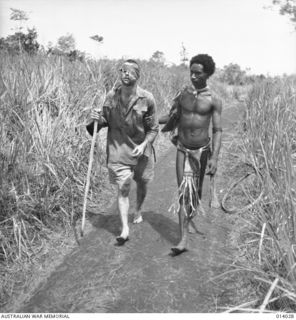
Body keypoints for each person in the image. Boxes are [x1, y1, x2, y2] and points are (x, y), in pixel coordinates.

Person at [87, 59, 159, 245]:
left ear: (138, 75)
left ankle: (139, 209)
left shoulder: (147, 98)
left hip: (141, 151)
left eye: (130, 70)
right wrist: (94, 119)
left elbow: (153, 129)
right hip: (118, 151)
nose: (125, 73)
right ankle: (125, 228)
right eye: (122, 70)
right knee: (123, 187)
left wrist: (144, 145)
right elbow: (101, 124)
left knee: (142, 183)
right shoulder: (111, 97)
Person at [159, 54, 222, 255]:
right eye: (191, 72)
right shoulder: (182, 95)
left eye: (198, 73)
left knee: (196, 195)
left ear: (208, 74)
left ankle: (191, 215)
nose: (193, 76)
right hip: (182, 148)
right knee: (183, 194)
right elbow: (170, 117)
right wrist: (147, 118)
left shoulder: (214, 100)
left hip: (202, 151)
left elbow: (218, 130)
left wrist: (215, 158)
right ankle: (183, 239)